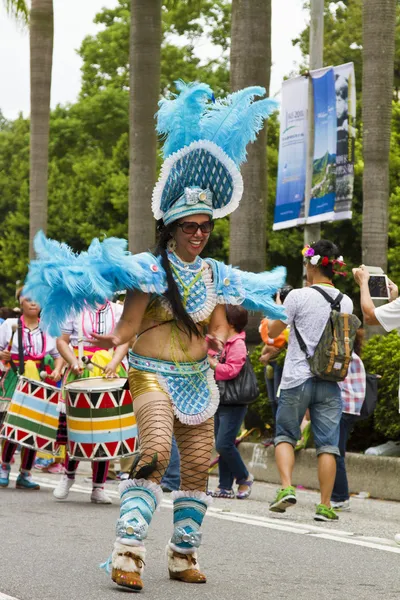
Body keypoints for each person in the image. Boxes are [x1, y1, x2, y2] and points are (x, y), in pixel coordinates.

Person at [24, 81, 286, 590]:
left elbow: (216, 326)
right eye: (189, 226)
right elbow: (126, 326)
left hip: (197, 381)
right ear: (171, 226)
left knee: (195, 469)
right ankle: (127, 553)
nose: (198, 233)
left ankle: (183, 555)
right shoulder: (148, 270)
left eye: (205, 226)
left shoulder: (214, 275)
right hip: (150, 377)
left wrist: (215, 341)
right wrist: (111, 344)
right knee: (155, 452)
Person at [267, 240, 353, 522]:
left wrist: (279, 307)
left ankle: (286, 488)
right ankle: (325, 505)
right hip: (330, 380)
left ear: (310, 265)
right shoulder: (346, 300)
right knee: (328, 444)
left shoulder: (298, 297)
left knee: (285, 436)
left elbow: (273, 331)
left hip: (296, 378)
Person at [53, 301, 130, 504]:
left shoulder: (120, 310)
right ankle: (67, 476)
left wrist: (114, 362)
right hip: (81, 370)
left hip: (112, 373)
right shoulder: (73, 308)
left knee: (108, 430)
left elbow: (125, 339)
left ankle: (99, 486)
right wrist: (73, 361)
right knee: (76, 427)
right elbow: (62, 341)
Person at [0, 293, 63, 489]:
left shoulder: (50, 327)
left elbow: (57, 354)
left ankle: (25, 473)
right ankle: (4, 467)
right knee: (13, 424)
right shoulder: (9, 325)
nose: (34, 302)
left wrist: (58, 370)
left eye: (37, 298)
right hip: (16, 377)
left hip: (40, 380)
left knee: (35, 427)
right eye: (28, 299)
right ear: (20, 301)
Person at [208, 305, 254, 500]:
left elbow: (231, 370)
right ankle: (224, 487)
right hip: (220, 398)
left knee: (223, 444)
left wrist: (213, 364)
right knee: (222, 444)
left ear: (231, 323)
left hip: (234, 402)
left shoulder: (238, 344)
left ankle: (244, 477)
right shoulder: (222, 341)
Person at [331, 330, 366, 511]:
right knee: (337, 450)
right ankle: (337, 496)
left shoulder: (343, 357)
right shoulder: (352, 356)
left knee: (336, 452)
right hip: (349, 409)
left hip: (343, 407)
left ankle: (340, 497)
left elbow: (334, 381)